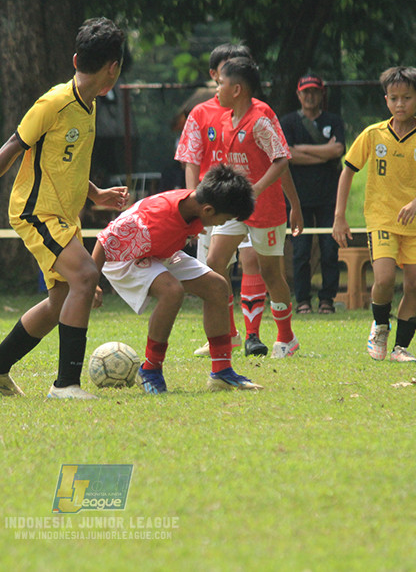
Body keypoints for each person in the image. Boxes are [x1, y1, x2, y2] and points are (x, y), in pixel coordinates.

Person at [0, 17, 128, 400]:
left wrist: (96, 194)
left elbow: (61, 164)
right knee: (85, 279)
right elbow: (11, 148)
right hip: (37, 211)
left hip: (63, 215)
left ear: (75, 59)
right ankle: (65, 385)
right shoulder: (54, 102)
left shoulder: (89, 104)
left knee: (61, 299)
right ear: (113, 68)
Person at [92, 164, 262, 394]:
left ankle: (221, 372)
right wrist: (91, 284)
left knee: (218, 287)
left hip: (158, 252)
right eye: (225, 220)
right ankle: (150, 369)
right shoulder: (152, 220)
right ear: (209, 210)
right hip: (124, 258)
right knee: (172, 291)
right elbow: (104, 240)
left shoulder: (196, 205)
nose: (222, 225)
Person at [332, 66, 416, 362]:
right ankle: (380, 326)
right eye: (394, 98)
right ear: (386, 100)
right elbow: (348, 171)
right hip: (381, 219)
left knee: (415, 285)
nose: (400, 104)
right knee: (383, 279)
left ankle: (401, 348)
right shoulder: (373, 134)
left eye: (407, 98)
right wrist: (339, 216)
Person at [174, 44, 270, 357]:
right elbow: (190, 159)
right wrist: (192, 204)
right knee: (214, 270)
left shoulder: (258, 111)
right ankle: (226, 334)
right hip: (211, 207)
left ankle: (253, 335)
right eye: (227, 68)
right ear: (216, 74)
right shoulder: (200, 113)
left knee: (252, 259)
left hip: (246, 202)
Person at [207, 57, 303, 359]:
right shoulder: (225, 120)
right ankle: (230, 332)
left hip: (266, 209)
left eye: (220, 82)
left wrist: (266, 192)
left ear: (237, 89)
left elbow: (281, 159)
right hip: (236, 207)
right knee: (214, 262)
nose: (216, 88)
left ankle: (286, 338)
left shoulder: (260, 120)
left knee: (271, 273)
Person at [280, 75, 346, 314]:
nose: (310, 96)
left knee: (330, 249)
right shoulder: (288, 123)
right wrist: (323, 153)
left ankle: (327, 299)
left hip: (329, 197)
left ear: (321, 95)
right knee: (301, 251)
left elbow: (338, 150)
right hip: (298, 199)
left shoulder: (333, 120)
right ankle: (302, 300)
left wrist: (303, 149)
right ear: (298, 95)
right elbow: (287, 155)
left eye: (314, 92)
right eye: (305, 92)